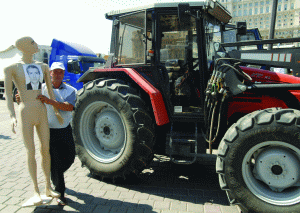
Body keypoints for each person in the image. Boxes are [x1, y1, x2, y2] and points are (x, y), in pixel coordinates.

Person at [4, 36, 62, 206]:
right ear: (22, 47)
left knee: (46, 149)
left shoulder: (43, 66)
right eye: (32, 43)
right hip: (25, 111)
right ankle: (36, 190)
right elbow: (8, 94)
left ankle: (47, 187)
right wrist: (12, 115)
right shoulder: (11, 68)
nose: (36, 45)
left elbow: (50, 91)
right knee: (31, 151)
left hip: (41, 110)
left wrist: (56, 110)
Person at [17, 61, 76, 205]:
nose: (57, 74)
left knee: (69, 158)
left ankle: (55, 173)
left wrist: (51, 102)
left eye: (60, 72)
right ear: (49, 73)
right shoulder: (40, 88)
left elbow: (69, 107)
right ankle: (60, 193)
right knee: (55, 161)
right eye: (54, 71)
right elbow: (24, 97)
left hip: (65, 129)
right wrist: (19, 98)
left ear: (63, 74)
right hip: (48, 131)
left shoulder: (70, 90)